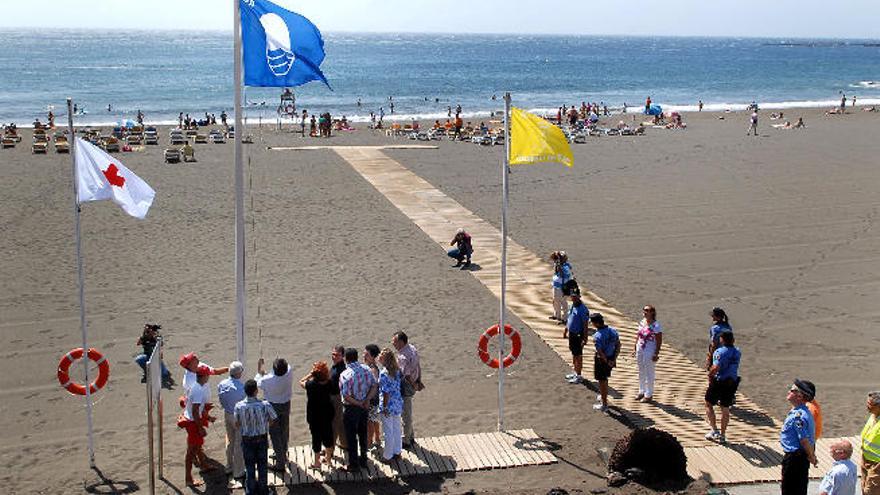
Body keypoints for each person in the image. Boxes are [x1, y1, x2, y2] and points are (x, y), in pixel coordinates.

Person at [234, 379, 277, 495]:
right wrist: (265, 425)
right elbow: (273, 418)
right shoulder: (264, 404)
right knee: (262, 466)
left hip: (247, 440)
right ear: (256, 391)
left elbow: (237, 424)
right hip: (261, 439)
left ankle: (250, 491)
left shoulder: (238, 406)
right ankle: (264, 490)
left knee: (249, 466)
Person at [339, 348, 378, 471]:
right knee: (363, 433)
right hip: (365, 407)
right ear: (356, 357)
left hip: (351, 408)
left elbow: (346, 395)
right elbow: (374, 386)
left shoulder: (345, 374)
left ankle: (353, 464)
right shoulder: (367, 369)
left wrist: (358, 403)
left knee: (351, 436)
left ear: (346, 359)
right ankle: (364, 459)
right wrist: (366, 400)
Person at [781, 379, 818, 495]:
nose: (789, 392)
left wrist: (812, 456)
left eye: (792, 390)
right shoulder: (798, 411)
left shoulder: (799, 416)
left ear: (800, 396)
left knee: (791, 489)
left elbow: (804, 440)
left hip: (795, 458)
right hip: (798, 456)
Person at [255, 357, 293, 472]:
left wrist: (259, 367)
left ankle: (280, 462)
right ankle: (283, 453)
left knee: (275, 433)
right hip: (286, 404)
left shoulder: (267, 380)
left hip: (272, 407)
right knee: (284, 429)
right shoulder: (289, 371)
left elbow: (258, 381)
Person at [704, 331, 740, 443]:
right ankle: (723, 435)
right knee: (725, 408)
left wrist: (710, 375)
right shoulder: (737, 352)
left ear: (722, 340)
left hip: (720, 381)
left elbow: (715, 367)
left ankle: (714, 430)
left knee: (708, 404)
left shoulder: (719, 352)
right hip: (732, 382)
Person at [299, 361, 335, 469]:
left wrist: (310, 374)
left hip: (314, 416)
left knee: (316, 438)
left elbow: (301, 381)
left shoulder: (311, 385)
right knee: (328, 436)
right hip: (327, 413)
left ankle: (317, 462)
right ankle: (328, 460)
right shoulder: (329, 383)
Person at [183, 365, 212, 487]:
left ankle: (204, 465)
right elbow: (195, 411)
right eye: (208, 375)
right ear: (204, 376)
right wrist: (200, 428)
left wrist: (208, 417)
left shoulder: (195, 386)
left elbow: (198, 409)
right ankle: (188, 479)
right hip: (193, 423)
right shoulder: (199, 390)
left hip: (192, 420)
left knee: (198, 446)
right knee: (191, 451)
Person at [217, 361, 246, 480]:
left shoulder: (222, 384)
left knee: (230, 440)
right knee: (239, 444)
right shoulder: (241, 388)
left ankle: (229, 466)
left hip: (227, 413)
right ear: (239, 373)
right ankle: (238, 471)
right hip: (237, 417)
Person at [393, 331, 421, 447]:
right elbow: (417, 366)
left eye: (394, 342)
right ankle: (411, 436)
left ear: (401, 342)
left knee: (406, 414)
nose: (393, 343)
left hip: (406, 386)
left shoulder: (402, 356)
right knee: (408, 412)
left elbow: (406, 375)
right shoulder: (412, 348)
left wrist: (413, 384)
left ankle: (406, 440)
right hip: (414, 381)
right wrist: (418, 381)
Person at [378, 348, 404, 461]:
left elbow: (386, 393)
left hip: (388, 405)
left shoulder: (384, 373)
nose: (379, 357)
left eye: (381, 356)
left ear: (385, 359)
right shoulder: (397, 370)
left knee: (388, 431)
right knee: (397, 429)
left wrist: (384, 407)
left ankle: (387, 456)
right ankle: (397, 452)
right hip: (397, 403)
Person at [591, 313, 620, 412]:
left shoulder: (597, 336)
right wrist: (613, 359)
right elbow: (618, 345)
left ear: (596, 323)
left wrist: (607, 361)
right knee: (605, 379)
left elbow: (600, 352)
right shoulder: (613, 331)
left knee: (602, 381)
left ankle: (604, 404)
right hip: (611, 357)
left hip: (602, 361)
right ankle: (603, 396)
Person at [634, 305, 663, 402]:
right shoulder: (642, 322)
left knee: (649, 372)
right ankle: (641, 391)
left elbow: (659, 341)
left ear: (652, 313)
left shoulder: (656, 326)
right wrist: (635, 346)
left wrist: (656, 353)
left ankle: (649, 394)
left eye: (647, 310)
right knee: (641, 370)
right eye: (644, 310)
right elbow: (638, 335)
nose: (645, 312)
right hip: (640, 348)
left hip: (649, 350)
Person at [134, 323, 173, 388]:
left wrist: (156, 338)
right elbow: (138, 343)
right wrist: (143, 336)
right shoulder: (144, 338)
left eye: (149, 331)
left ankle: (157, 369)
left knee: (164, 374)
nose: (148, 333)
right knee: (138, 359)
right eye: (147, 331)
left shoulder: (156, 338)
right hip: (147, 356)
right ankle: (147, 371)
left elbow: (161, 346)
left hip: (156, 358)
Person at [562, 291, 589, 384]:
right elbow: (570, 319)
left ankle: (579, 375)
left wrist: (585, 338)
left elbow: (585, 325)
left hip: (578, 335)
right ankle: (575, 372)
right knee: (574, 354)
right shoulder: (573, 305)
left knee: (578, 355)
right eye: (572, 296)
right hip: (572, 334)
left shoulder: (583, 309)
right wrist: (566, 331)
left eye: (575, 296)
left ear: (579, 297)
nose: (573, 298)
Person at [861, 391, 880, 495]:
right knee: (864, 489)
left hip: (877, 464)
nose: (867, 406)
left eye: (870, 404)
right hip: (866, 460)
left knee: (871, 492)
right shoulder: (873, 416)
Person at [329, 345, 347, 450]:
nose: (334, 356)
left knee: (334, 424)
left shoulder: (341, 369)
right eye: (333, 354)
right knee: (340, 423)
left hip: (337, 399)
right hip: (333, 397)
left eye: (337, 355)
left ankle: (329, 449)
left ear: (343, 356)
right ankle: (345, 444)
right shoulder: (335, 366)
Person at [364, 344, 382, 450]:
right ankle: (378, 439)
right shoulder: (373, 367)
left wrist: (367, 398)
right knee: (374, 420)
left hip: (372, 399)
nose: (364, 356)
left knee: (369, 421)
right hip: (375, 399)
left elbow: (374, 385)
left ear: (373, 357)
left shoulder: (372, 369)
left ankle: (369, 442)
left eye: (366, 354)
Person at [550, 251, 573, 322]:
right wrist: (557, 263)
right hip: (556, 286)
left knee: (563, 302)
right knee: (555, 301)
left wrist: (559, 266)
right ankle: (557, 315)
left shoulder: (566, 266)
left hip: (563, 287)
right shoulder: (558, 264)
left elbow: (564, 275)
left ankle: (565, 318)